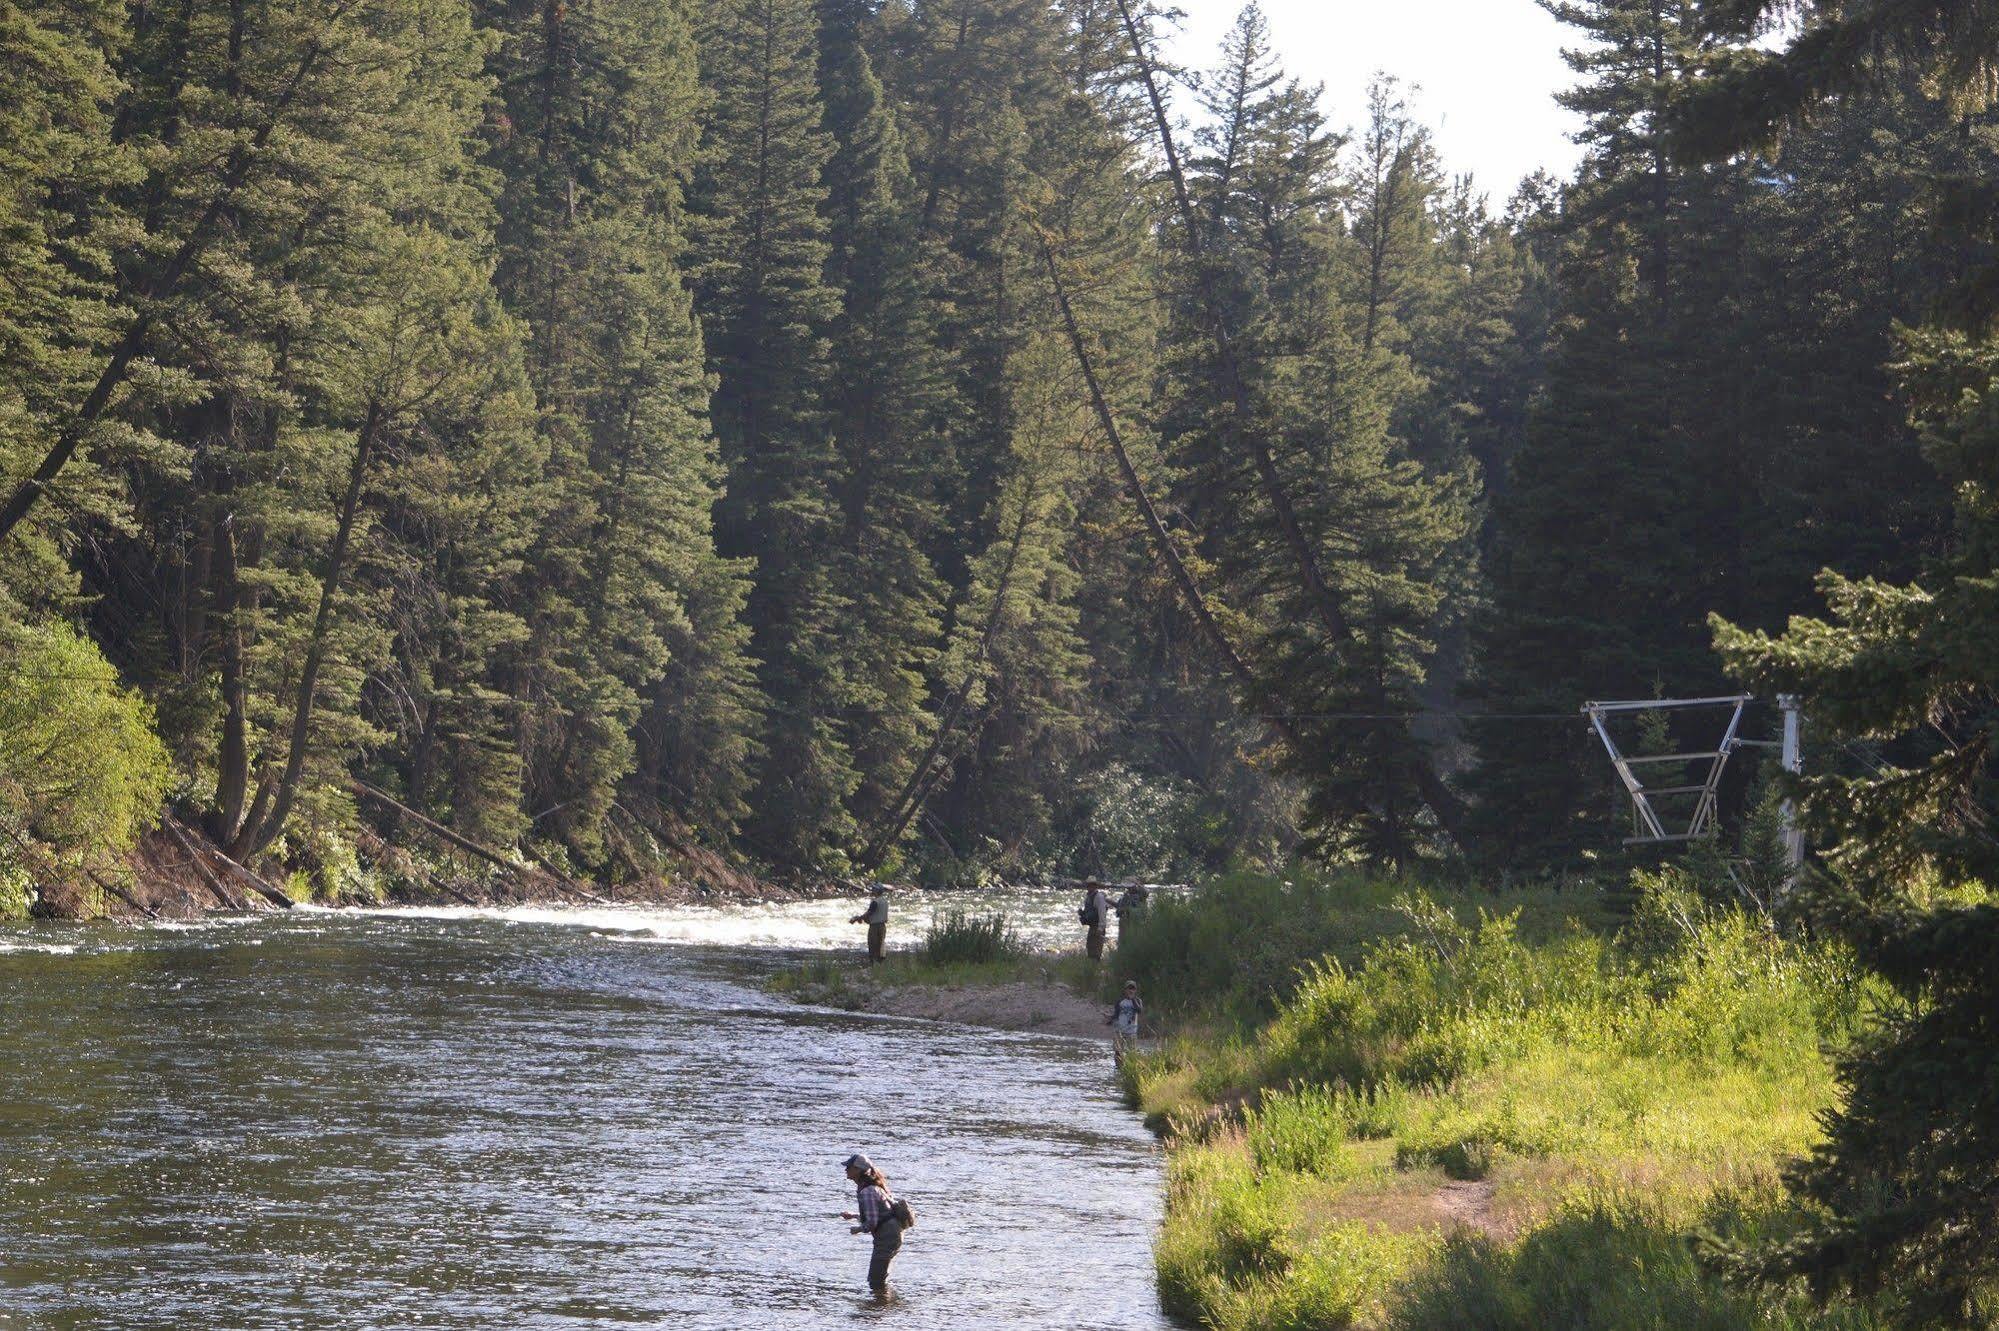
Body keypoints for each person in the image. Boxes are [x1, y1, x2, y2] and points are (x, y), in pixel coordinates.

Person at [839, 1153, 903, 1298]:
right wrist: (854, 1216)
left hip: (887, 1236)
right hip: (892, 1234)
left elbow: (872, 1223)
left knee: (876, 1280)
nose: (846, 1170)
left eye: (849, 1167)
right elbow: (877, 1215)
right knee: (879, 1278)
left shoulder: (867, 1191)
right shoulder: (871, 1187)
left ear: (858, 1170)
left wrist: (857, 1229)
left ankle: (881, 1312)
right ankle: (882, 1305)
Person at [849, 883, 889, 964]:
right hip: (883, 926)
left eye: (873, 889)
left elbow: (869, 913)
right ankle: (880, 964)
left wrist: (857, 919)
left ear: (877, 891)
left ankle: (874, 965)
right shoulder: (885, 901)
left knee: (873, 946)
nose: (872, 891)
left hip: (874, 927)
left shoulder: (875, 902)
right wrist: (862, 919)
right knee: (881, 946)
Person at [1107, 979, 1144, 1063]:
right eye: (1129, 988)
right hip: (1119, 1030)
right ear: (1125, 990)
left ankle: (1129, 1067)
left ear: (1135, 990)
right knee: (1118, 1052)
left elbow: (1139, 1010)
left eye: (1133, 988)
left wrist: (1133, 999)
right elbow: (1116, 1015)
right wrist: (1109, 1020)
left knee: (1131, 1053)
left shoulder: (1138, 1001)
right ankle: (1118, 1068)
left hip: (1132, 1031)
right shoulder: (1119, 1001)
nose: (1131, 990)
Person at [1079, 880, 1111, 961]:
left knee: (1096, 951)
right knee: (1090, 948)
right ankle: (1092, 968)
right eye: (1088, 885)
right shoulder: (1089, 896)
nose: (1089, 887)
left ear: (1095, 886)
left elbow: (1102, 913)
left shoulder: (1099, 897)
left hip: (1097, 927)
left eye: (1091, 885)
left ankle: (1095, 969)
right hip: (1092, 926)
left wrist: (1100, 928)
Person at [1112, 884, 1149, 948]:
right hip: (1124, 924)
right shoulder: (1125, 896)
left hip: (1134, 925)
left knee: (1134, 944)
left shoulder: (1141, 897)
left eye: (1131, 886)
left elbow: (1146, 892)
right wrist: (1107, 900)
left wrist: (1136, 882)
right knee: (1122, 944)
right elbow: (1119, 907)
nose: (1129, 888)